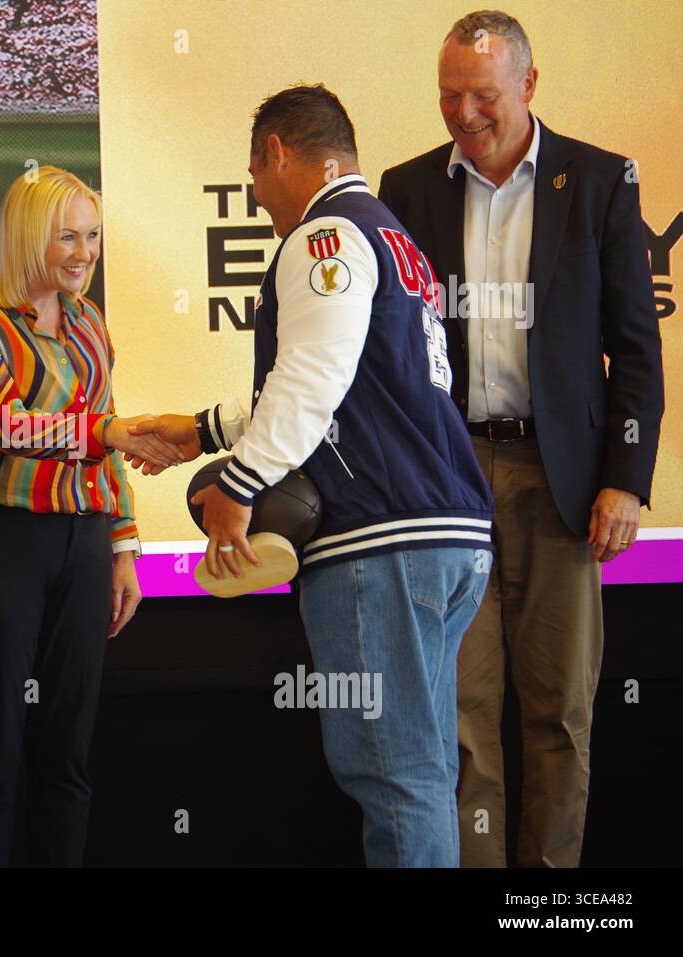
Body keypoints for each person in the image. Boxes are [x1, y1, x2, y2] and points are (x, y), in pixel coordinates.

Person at [133, 86, 494, 867]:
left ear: (277, 153)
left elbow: (314, 376)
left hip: (383, 535)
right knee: (422, 768)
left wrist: (236, 489)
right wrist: (196, 432)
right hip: (445, 531)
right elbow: (340, 382)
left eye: (255, 173)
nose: (258, 195)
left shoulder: (322, 235)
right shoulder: (392, 236)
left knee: (394, 775)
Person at [377, 10, 664, 868]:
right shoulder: (407, 189)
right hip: (451, 485)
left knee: (560, 714)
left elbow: (636, 348)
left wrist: (626, 476)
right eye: (447, 95)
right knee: (460, 715)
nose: (463, 113)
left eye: (482, 95)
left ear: (529, 86)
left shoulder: (601, 181)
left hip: (564, 480)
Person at [0, 166, 184, 866]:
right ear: (25, 236)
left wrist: (124, 546)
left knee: (67, 750)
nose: (84, 252)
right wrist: (104, 432)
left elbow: (108, 437)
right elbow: (2, 425)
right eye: (67, 236)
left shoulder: (90, 322)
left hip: (81, 540)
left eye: (93, 237)